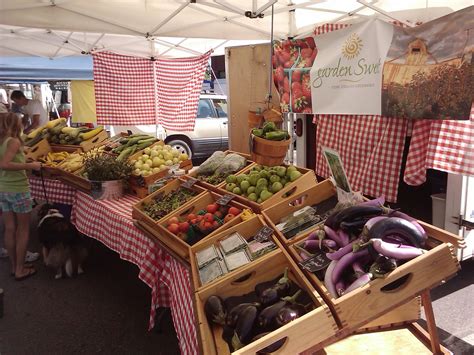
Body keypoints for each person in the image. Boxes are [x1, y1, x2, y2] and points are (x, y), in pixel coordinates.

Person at [0, 112, 41, 280]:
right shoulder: (14, 141)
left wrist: (23, 157)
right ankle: (20, 269)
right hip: (18, 190)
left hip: (3, 189)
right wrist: (30, 165)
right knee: (23, 230)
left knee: (10, 228)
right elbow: (5, 164)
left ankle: (14, 266)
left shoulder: (2, 141)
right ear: (15, 124)